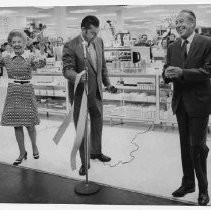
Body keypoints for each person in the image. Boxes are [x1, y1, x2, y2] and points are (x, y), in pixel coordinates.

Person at [163, 9, 211, 205]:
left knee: (197, 147)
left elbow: (208, 71)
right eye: (176, 22)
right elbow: (166, 70)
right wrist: (167, 74)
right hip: (180, 103)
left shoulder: (206, 42)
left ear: (193, 23)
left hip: (199, 102)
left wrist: (182, 72)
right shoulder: (173, 46)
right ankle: (188, 183)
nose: (178, 24)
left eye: (182, 21)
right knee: (185, 146)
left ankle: (203, 188)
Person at [62, 15, 116, 176]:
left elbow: (103, 66)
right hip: (81, 95)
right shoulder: (71, 46)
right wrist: (77, 76)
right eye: (92, 33)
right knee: (82, 130)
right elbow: (66, 70)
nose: (95, 36)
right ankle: (84, 163)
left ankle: (96, 152)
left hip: (97, 93)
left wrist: (108, 84)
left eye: (97, 33)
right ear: (84, 30)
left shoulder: (98, 42)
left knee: (98, 125)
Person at [0, 29, 46, 166]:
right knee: (17, 125)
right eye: (13, 42)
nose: (16, 44)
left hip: (27, 90)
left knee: (30, 125)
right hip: (13, 91)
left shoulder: (30, 56)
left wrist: (42, 51)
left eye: (19, 41)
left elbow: (41, 64)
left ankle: (34, 146)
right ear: (10, 44)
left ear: (24, 43)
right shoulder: (6, 58)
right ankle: (22, 152)